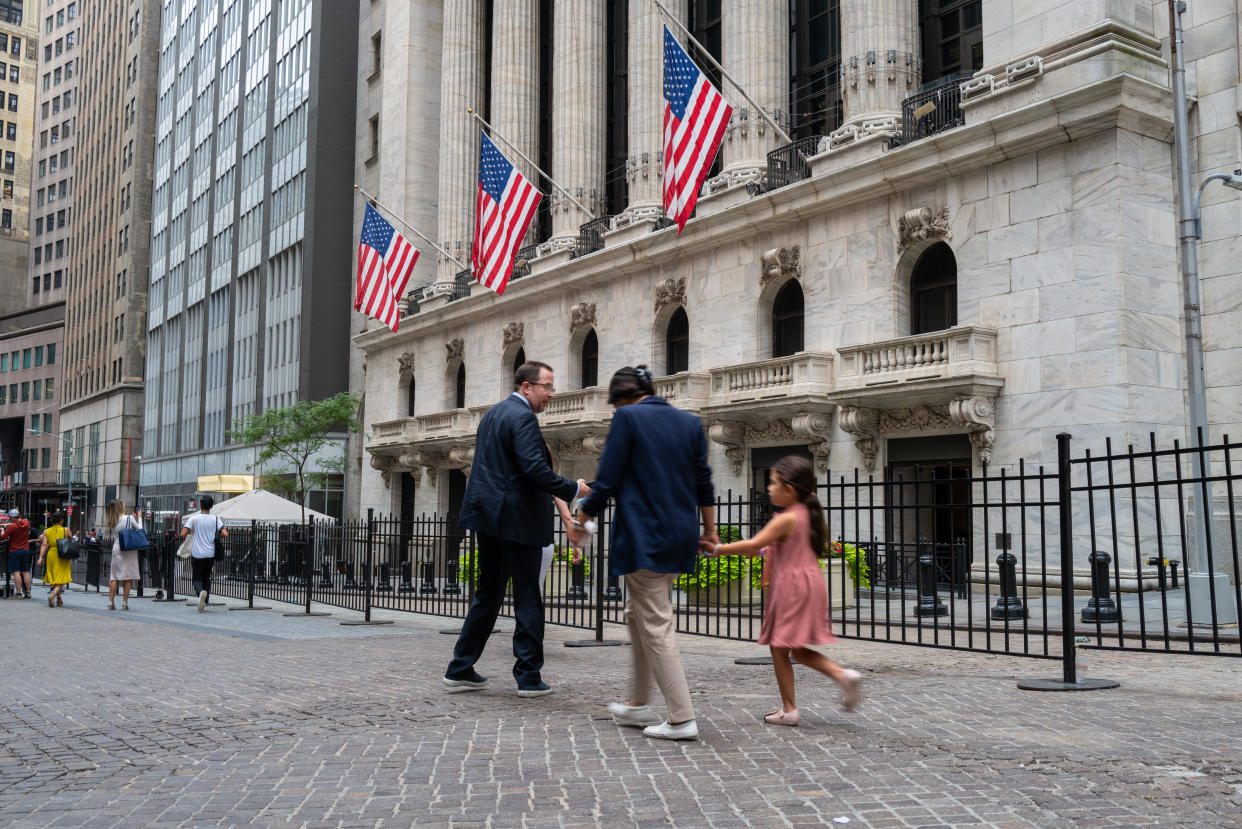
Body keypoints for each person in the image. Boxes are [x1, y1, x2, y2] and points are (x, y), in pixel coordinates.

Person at [575, 365, 717, 741]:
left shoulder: (629, 418)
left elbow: (608, 477)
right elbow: (703, 481)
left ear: (622, 399)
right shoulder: (689, 423)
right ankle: (638, 703)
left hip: (644, 537)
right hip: (680, 534)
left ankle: (681, 718)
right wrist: (711, 531)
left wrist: (583, 516)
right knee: (637, 615)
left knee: (655, 622)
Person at [445, 361, 590, 697]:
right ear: (526, 386)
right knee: (527, 597)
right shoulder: (522, 416)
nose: (551, 394)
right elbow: (534, 470)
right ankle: (528, 677)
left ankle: (460, 667)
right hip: (517, 520)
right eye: (547, 386)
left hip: (489, 517)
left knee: (488, 594)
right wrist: (574, 489)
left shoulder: (494, 414)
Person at [709, 455, 863, 726]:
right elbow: (769, 548)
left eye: (772, 483)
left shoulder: (787, 517)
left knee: (783, 648)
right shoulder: (805, 513)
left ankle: (824, 687)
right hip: (807, 583)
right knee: (791, 648)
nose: (768, 488)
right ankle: (800, 701)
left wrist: (717, 549)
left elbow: (751, 545)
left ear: (789, 489)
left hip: (791, 587)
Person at [181, 496, 227, 612]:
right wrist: (217, 536)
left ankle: (201, 593)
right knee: (206, 578)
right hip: (210, 554)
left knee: (196, 579)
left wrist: (193, 532)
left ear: (200, 505)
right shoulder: (216, 519)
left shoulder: (194, 519)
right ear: (211, 506)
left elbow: (183, 533)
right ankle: (205, 602)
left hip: (197, 554)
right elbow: (225, 534)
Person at [106, 500, 143, 611]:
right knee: (127, 577)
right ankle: (124, 603)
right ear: (121, 507)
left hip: (117, 547)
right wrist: (139, 518)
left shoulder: (113, 520)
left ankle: (110, 602)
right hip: (128, 548)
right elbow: (140, 530)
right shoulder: (129, 518)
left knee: (114, 577)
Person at [36, 512, 71, 608]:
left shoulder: (46, 531)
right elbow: (71, 541)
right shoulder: (66, 530)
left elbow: (44, 545)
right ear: (61, 520)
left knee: (55, 578)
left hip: (51, 554)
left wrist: (40, 557)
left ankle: (59, 600)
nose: (63, 520)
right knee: (61, 577)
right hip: (62, 555)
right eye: (63, 519)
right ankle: (52, 596)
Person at [1, 508, 32, 599]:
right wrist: (8, 523)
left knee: (16, 572)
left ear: (13, 517)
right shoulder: (26, 523)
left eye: (10, 518)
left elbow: (3, 537)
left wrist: (2, 530)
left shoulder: (12, 527)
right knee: (25, 571)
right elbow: (18, 523)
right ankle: (28, 592)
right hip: (25, 550)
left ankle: (18, 593)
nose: (9, 519)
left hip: (14, 551)